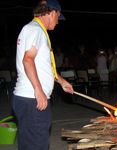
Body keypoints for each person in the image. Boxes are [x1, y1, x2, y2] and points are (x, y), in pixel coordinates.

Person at [12, 0, 74, 149]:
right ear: (52, 13)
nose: (58, 22)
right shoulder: (35, 30)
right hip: (33, 99)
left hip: (28, 99)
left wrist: (61, 81)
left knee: (29, 143)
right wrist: (38, 90)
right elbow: (28, 60)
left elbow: (43, 66)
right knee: (37, 144)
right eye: (58, 17)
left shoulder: (34, 30)